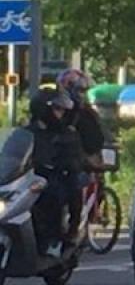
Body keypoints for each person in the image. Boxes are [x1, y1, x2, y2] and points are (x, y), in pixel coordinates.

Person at [26, 85, 81, 256]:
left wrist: (67, 163)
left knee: (56, 196)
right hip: (29, 178)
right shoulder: (27, 131)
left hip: (56, 177)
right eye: (57, 108)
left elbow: (74, 157)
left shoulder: (66, 133)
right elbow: (11, 151)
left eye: (62, 109)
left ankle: (59, 238)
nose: (61, 113)